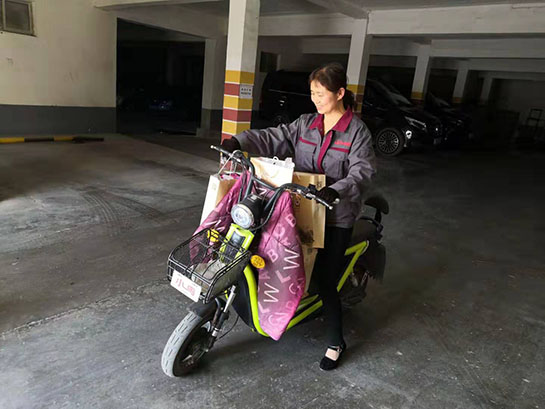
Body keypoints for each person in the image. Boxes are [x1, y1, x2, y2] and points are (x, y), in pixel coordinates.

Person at [221, 62, 376, 370]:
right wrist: (240, 141)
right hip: (299, 206)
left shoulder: (357, 132)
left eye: (321, 94)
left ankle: (335, 342)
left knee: (324, 279)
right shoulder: (306, 123)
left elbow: (363, 171)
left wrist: (336, 190)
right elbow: (273, 137)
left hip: (335, 215)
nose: (315, 100)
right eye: (312, 94)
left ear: (340, 93)